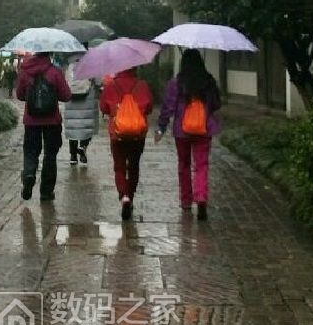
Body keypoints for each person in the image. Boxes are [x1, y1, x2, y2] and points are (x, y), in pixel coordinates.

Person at [155, 49, 222, 220]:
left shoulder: (176, 83)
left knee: (184, 164)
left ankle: (186, 200)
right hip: (204, 128)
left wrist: (161, 127)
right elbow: (216, 104)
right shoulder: (208, 81)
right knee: (202, 165)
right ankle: (201, 198)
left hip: (182, 130)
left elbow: (168, 107)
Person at [16, 52, 72, 201]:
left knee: (30, 151)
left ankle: (29, 174)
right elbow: (66, 95)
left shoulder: (26, 71)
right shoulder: (55, 72)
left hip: (31, 120)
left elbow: (19, 95)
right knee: (50, 155)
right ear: (49, 54)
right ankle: (46, 192)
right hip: (52, 121)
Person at [100, 67, 154, 219]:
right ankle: (130, 195)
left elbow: (103, 107)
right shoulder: (142, 85)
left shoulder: (111, 86)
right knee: (134, 166)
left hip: (117, 133)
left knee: (119, 166)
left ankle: (124, 196)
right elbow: (149, 108)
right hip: (138, 134)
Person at [63, 55, 99, 166]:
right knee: (87, 127)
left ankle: (73, 156)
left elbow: (65, 84)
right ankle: (82, 148)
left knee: (73, 128)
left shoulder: (69, 68)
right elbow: (99, 82)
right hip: (87, 102)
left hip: (72, 103)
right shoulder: (91, 66)